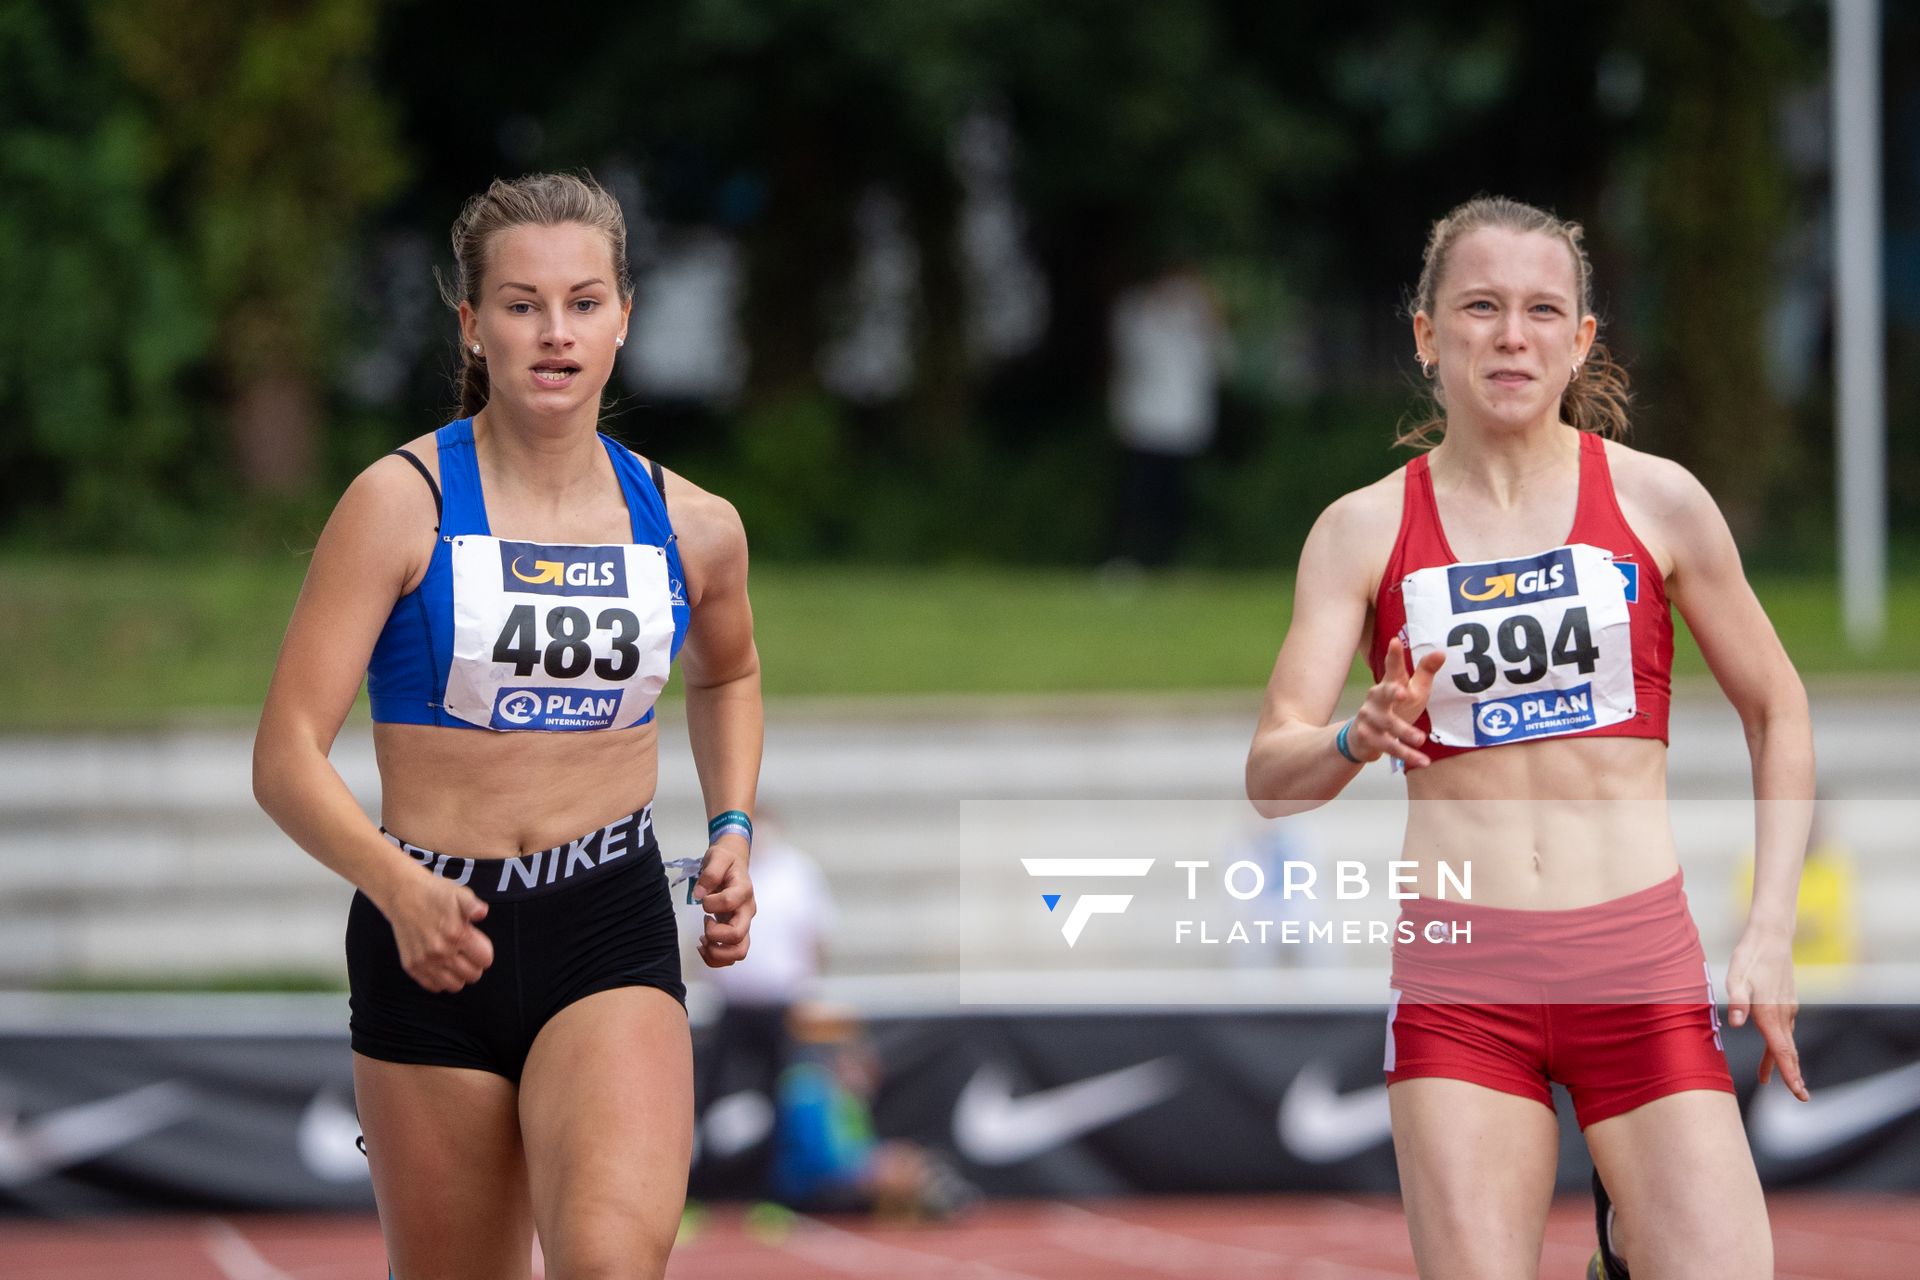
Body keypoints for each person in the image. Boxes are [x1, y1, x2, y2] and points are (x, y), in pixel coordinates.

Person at [1245, 196, 1812, 1280]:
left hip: (1635, 962)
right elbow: (1271, 773)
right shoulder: (1361, 530)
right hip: (1465, 977)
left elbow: (1777, 706)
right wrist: (1352, 739)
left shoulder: (1660, 503)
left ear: (1582, 338)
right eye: (1482, 306)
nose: (1514, 334)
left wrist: (1770, 926)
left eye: (1544, 309)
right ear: (1426, 333)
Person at [253, 171, 762, 1280]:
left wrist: (731, 823)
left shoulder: (693, 525)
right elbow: (285, 754)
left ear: (624, 316)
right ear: (472, 321)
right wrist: (398, 885)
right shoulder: (400, 504)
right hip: (430, 934)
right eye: (523, 303)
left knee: (608, 1263)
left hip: (606, 925)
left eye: (584, 302)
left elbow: (729, 673)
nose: (555, 332)